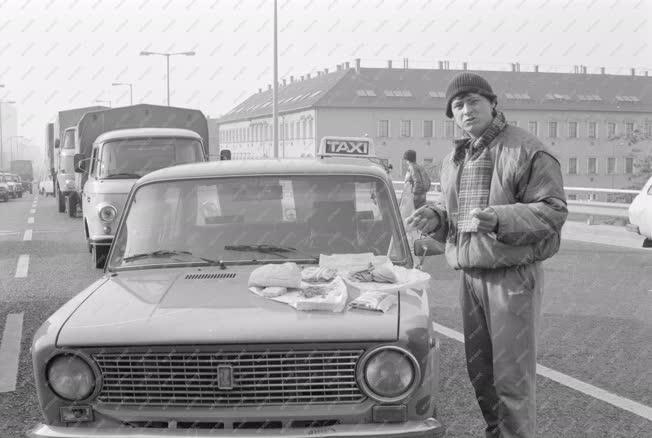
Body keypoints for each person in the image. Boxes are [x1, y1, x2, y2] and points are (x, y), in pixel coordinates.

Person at [407, 72, 567, 438]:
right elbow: (462, 220)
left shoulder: (526, 150)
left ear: (493, 103)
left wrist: (500, 217)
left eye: (473, 101)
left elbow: (554, 211)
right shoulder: (455, 158)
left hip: (511, 276)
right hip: (471, 276)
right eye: (457, 105)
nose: (466, 110)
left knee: (511, 377)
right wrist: (437, 218)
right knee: (481, 373)